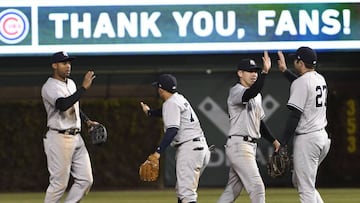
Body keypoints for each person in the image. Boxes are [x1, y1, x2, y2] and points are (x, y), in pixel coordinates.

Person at [217, 51, 281, 203]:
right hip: (240, 145)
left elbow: (259, 122)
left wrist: (274, 141)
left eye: (256, 71)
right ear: (240, 73)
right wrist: (265, 72)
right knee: (257, 187)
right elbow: (249, 94)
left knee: (232, 191)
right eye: (250, 71)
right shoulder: (236, 91)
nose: (254, 74)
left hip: (248, 146)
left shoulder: (257, 95)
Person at [140, 74, 211, 203]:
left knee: (186, 194)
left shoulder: (170, 103)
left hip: (190, 149)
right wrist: (150, 112)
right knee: (182, 191)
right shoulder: (178, 99)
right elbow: (165, 111)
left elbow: (172, 130)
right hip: (201, 148)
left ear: (161, 89)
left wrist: (158, 152)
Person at [41, 51, 98, 203]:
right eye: (63, 63)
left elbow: (74, 105)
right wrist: (84, 88)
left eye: (69, 63)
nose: (68, 66)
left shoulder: (71, 83)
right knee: (59, 184)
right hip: (59, 138)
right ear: (54, 65)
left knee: (86, 180)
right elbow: (62, 105)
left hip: (77, 137)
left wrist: (86, 121)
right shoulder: (49, 86)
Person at [277, 47, 331, 203]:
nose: (295, 62)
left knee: (305, 188)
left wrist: (283, 143)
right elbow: (302, 86)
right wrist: (285, 71)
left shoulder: (301, 83)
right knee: (301, 181)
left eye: (296, 60)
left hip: (308, 140)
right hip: (322, 138)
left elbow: (295, 115)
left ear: (300, 62)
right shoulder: (320, 78)